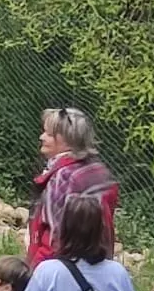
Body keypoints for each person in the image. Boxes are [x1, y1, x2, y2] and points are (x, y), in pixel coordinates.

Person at [27, 107, 118, 268]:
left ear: (67, 139)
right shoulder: (100, 173)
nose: (41, 137)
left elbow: (55, 237)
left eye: (48, 134)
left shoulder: (63, 177)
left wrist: (35, 271)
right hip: (97, 265)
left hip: (61, 268)